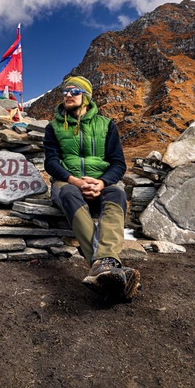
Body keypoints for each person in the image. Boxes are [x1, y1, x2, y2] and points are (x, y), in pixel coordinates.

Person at [43, 76, 140, 300]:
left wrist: (102, 182)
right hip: (67, 183)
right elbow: (51, 162)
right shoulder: (54, 127)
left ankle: (103, 267)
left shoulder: (106, 125)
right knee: (67, 193)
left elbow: (118, 163)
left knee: (117, 192)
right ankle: (106, 265)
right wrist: (74, 180)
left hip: (100, 183)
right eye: (64, 91)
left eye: (74, 91)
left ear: (86, 96)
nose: (67, 94)